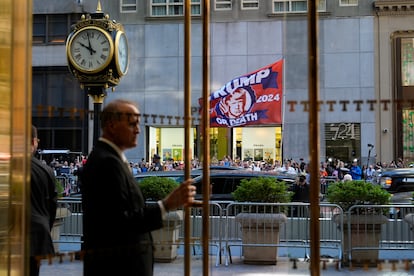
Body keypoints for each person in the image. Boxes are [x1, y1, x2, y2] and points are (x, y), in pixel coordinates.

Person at [80, 99, 196, 276]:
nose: (138, 130)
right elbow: (120, 224)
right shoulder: (107, 163)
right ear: (111, 125)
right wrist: (166, 205)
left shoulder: (112, 160)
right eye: (132, 124)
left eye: (138, 124)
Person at [30, 125, 57, 276]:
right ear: (34, 142)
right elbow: (52, 206)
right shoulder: (46, 170)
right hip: (38, 233)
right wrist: (47, 225)